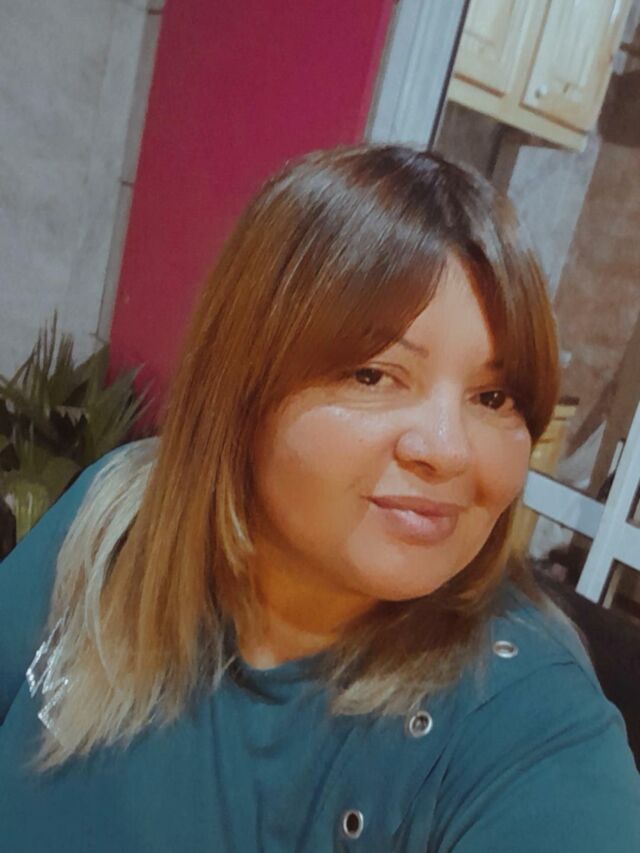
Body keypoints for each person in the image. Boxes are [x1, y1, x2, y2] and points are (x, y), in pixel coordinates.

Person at [0, 145, 638, 852]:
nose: (449, 449)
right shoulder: (122, 514)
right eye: (374, 375)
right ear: (243, 388)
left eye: (493, 397)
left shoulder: (528, 729)